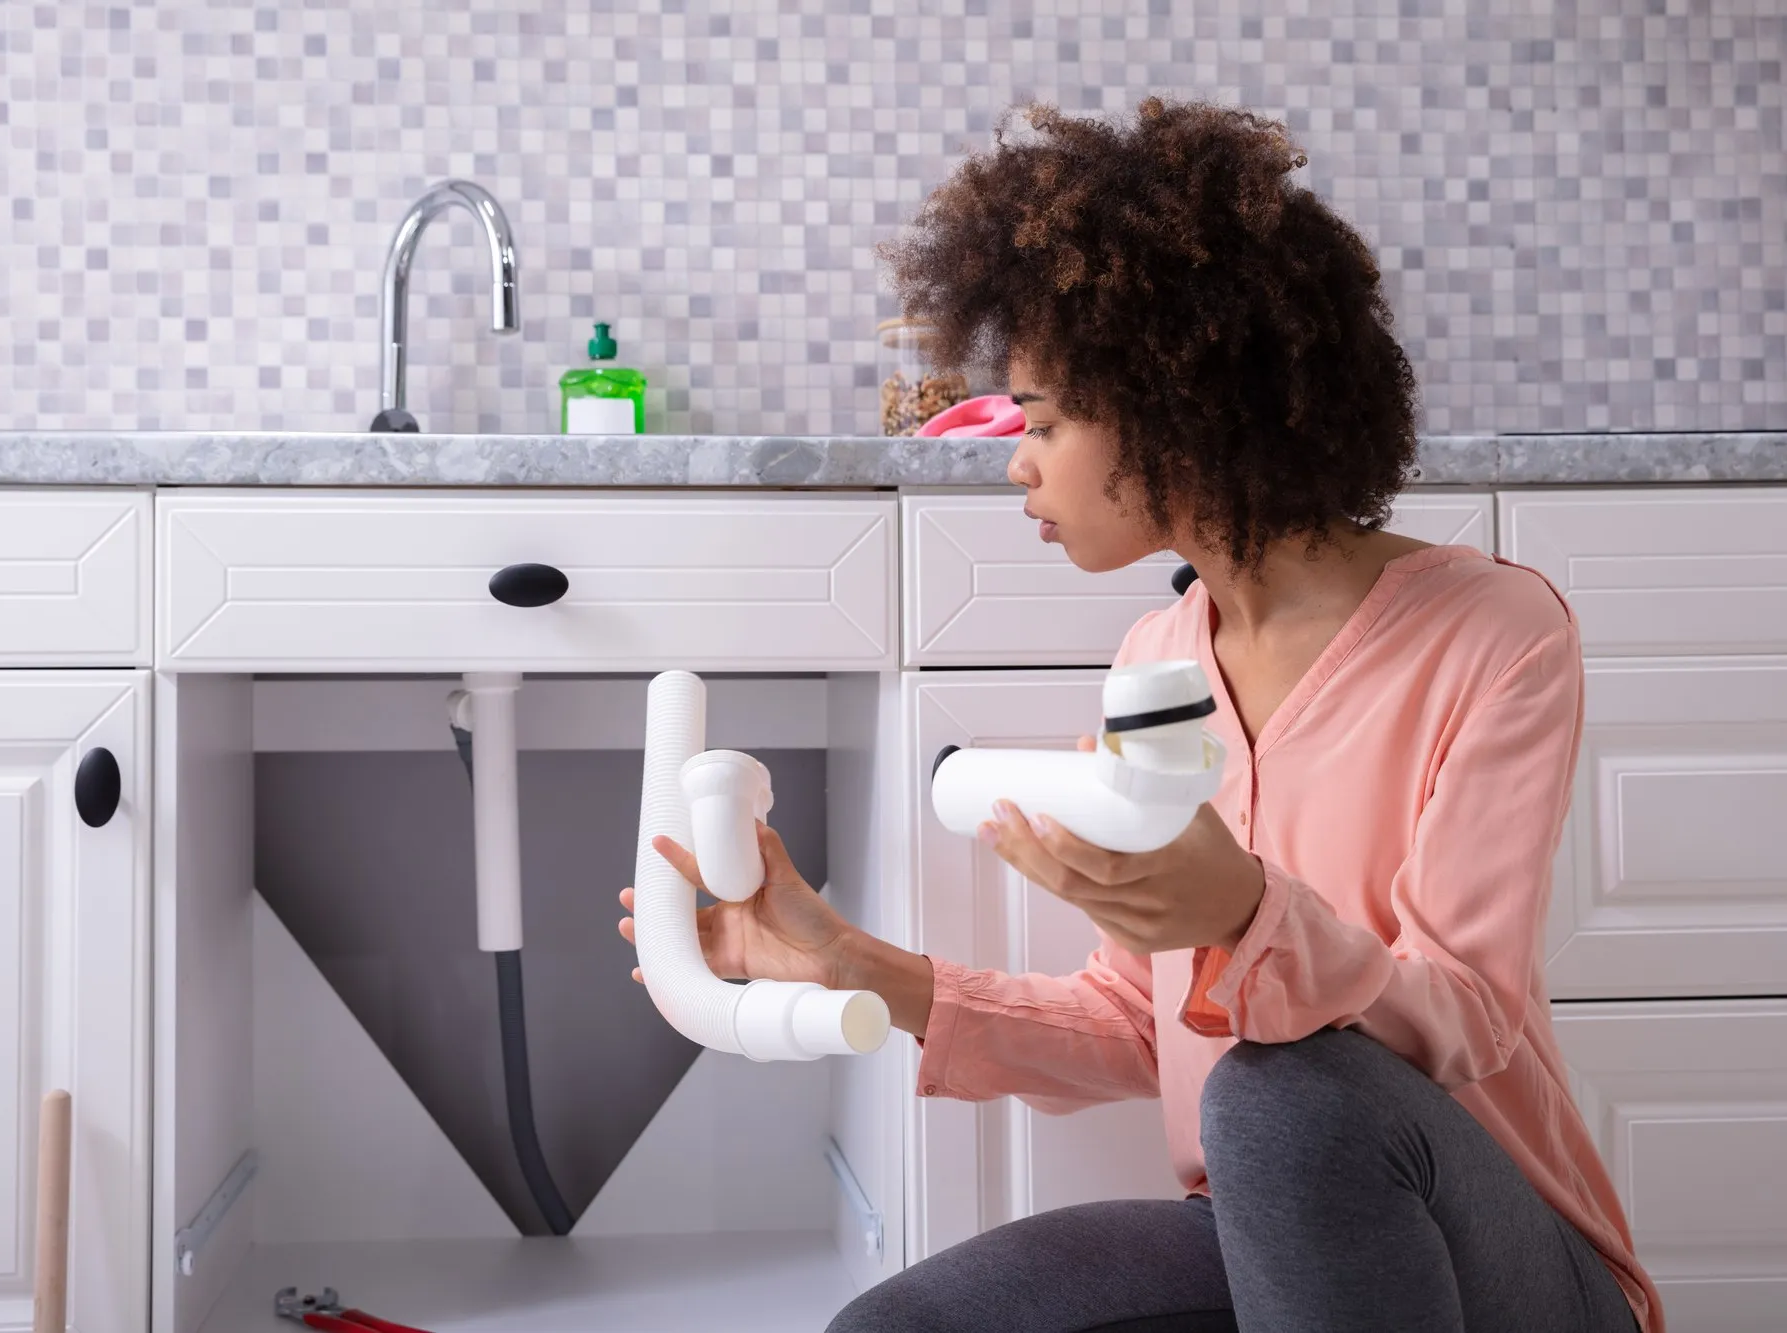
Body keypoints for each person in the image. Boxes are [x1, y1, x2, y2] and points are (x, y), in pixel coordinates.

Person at [619, 100, 1658, 1333]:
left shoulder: (1492, 632)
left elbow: (1466, 1015)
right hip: (1250, 1232)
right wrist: (855, 965)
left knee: (1289, 1094)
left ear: (1178, 402)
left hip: (1500, 1250)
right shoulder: (1159, 654)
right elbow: (1131, 1020)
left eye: (1044, 423)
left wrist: (1246, 916)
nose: (1016, 464)